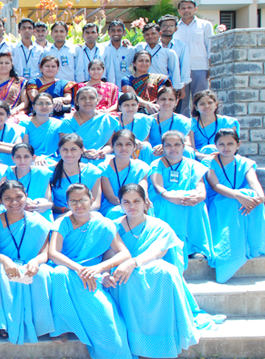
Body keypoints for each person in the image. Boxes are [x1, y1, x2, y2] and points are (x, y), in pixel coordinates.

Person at [103, 184, 203, 358]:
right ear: (120, 204)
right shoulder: (113, 227)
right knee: (122, 277)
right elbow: (108, 255)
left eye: (136, 201)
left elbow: (157, 252)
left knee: (166, 272)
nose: (132, 206)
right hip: (123, 275)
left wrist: (133, 263)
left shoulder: (159, 226)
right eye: (126, 202)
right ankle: (135, 341)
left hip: (149, 269)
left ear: (145, 202)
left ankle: (162, 340)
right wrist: (105, 274)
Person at [48, 183, 133, 358]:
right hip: (69, 272)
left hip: (93, 276)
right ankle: (62, 326)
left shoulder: (103, 224)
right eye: (73, 201)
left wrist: (99, 268)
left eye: (83, 200)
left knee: (107, 317)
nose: (78, 205)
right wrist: (80, 269)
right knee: (59, 273)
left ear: (92, 200)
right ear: (67, 203)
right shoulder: (62, 223)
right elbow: (53, 253)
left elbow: (124, 253)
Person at [0, 180, 54, 344]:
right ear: (1, 200)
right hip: (4, 267)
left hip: (29, 265)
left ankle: (39, 324)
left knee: (43, 272)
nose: (14, 202)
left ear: (26, 196)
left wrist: (36, 261)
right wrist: (4, 259)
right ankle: (0, 323)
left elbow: (45, 252)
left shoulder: (40, 222)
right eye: (8, 198)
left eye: (19, 197)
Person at [203, 129, 265, 283]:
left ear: (238, 144)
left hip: (242, 200)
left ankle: (255, 245)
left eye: (230, 143)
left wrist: (260, 197)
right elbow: (215, 185)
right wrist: (238, 196)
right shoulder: (209, 162)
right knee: (238, 197)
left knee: (252, 195)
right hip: (218, 201)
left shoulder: (245, 162)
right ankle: (230, 254)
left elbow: (253, 182)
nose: (226, 147)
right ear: (216, 145)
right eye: (221, 144)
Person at [149, 130, 214, 268]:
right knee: (170, 205)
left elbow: (201, 190)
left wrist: (197, 198)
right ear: (163, 147)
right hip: (164, 199)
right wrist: (172, 197)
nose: (173, 148)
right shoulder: (156, 164)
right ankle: (171, 246)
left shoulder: (194, 165)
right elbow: (158, 188)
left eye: (177, 144)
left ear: (183, 146)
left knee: (198, 204)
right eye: (168, 145)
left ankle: (195, 247)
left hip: (186, 200)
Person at [174, 0, 214, 116]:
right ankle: (184, 125)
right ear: (179, 11)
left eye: (189, 7)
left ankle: (201, 121)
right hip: (180, 70)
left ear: (195, 9)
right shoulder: (175, 27)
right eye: (183, 8)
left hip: (199, 68)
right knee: (182, 101)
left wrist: (211, 67)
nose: (186, 10)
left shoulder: (205, 25)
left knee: (201, 98)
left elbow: (210, 47)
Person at [58, 86, 119, 163]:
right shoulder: (68, 122)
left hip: (101, 158)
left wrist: (103, 152)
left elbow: (110, 145)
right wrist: (84, 152)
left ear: (97, 100)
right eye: (83, 98)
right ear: (76, 101)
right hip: (75, 158)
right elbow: (66, 145)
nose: (87, 101)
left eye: (91, 98)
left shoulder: (106, 119)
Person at [99, 130, 151, 219]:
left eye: (128, 144)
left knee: (148, 209)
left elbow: (142, 192)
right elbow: (110, 197)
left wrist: (135, 205)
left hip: (135, 205)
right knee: (119, 212)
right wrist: (128, 205)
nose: (123, 148)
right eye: (119, 144)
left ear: (134, 147)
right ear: (113, 147)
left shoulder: (141, 167)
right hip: (113, 206)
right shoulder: (104, 168)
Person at [50, 134, 102, 214]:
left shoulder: (92, 172)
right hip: (61, 214)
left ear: (82, 150)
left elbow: (96, 204)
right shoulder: (50, 172)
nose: (69, 154)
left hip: (87, 213)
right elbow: (49, 204)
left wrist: (80, 212)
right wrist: (69, 212)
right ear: (59, 150)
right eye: (65, 149)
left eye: (73, 149)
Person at [6, 143, 53, 221]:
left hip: (36, 212)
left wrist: (42, 206)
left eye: (26, 156)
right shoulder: (6, 173)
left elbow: (49, 202)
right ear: (12, 158)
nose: (22, 160)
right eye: (18, 157)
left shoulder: (41, 174)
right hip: (14, 211)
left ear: (33, 158)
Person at [189, 90, 240, 159]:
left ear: (216, 105)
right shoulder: (189, 123)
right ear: (196, 107)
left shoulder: (228, 123)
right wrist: (207, 158)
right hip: (198, 158)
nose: (206, 106)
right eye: (202, 104)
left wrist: (217, 157)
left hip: (223, 156)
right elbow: (191, 149)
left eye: (210, 103)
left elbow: (233, 147)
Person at [0, 52, 31, 123]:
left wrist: (15, 110)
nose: (4, 65)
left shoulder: (20, 81)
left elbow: (25, 102)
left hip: (15, 113)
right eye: (1, 63)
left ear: (11, 65)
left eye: (7, 63)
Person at [148, 87, 194, 159]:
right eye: (163, 99)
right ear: (157, 101)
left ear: (176, 102)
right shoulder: (148, 120)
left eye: (171, 99)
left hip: (174, 152)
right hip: (154, 153)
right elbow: (144, 143)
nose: (166, 102)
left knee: (188, 150)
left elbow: (188, 143)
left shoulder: (182, 121)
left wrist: (168, 147)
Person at [134, 22, 182, 90]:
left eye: (153, 33)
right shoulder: (139, 48)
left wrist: (175, 89)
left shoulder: (168, 52)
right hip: (142, 86)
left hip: (162, 87)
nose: (150, 36)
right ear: (143, 36)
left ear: (160, 33)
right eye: (147, 34)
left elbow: (175, 73)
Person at [158, 14, 191, 108]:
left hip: (175, 85)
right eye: (164, 25)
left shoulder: (181, 46)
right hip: (158, 85)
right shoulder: (153, 45)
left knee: (175, 110)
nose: (167, 28)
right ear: (159, 28)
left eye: (171, 26)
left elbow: (185, 67)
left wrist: (182, 88)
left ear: (176, 29)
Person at [21, 93, 62, 160]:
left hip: (53, 159)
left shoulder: (58, 124)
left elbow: (64, 145)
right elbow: (24, 148)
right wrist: (35, 158)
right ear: (34, 106)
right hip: (30, 159)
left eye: (48, 103)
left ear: (52, 107)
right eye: (40, 103)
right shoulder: (24, 124)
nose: (44, 106)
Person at [102, 19, 135, 86]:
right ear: (108, 33)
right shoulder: (103, 48)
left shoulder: (130, 50)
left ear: (124, 32)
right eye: (113, 31)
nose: (116, 33)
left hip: (126, 86)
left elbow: (134, 68)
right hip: (108, 87)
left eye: (119, 30)